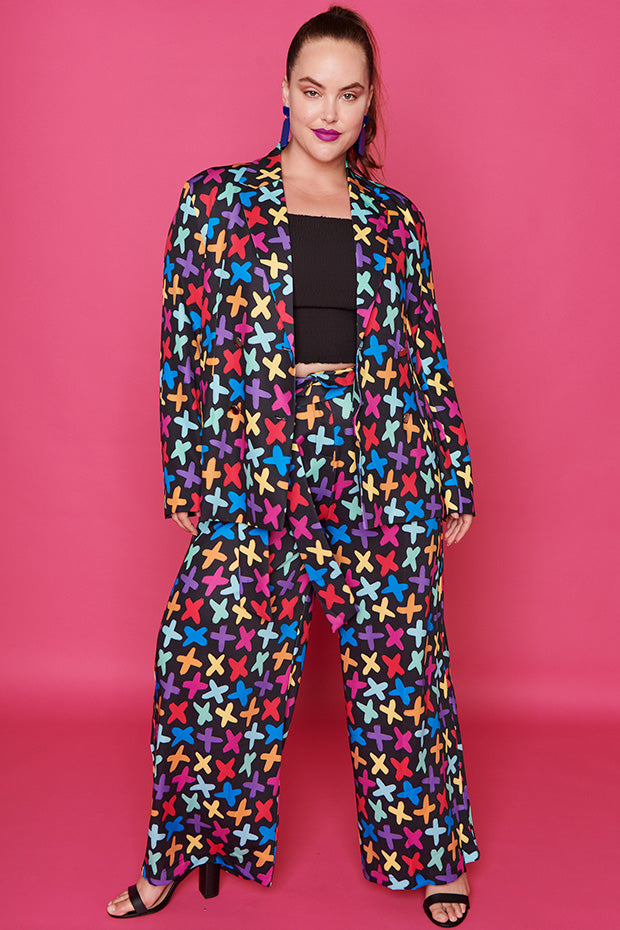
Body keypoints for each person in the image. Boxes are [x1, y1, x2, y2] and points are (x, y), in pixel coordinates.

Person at [107, 6, 479, 925]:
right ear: (284, 89)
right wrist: (187, 471)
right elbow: (183, 343)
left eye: (349, 94)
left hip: (382, 471)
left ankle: (429, 849)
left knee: (404, 671)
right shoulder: (216, 201)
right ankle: (184, 845)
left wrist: (453, 474)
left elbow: (425, 353)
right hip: (255, 471)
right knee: (205, 660)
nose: (328, 112)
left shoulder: (397, 222)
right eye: (312, 90)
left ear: (369, 102)